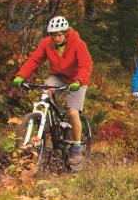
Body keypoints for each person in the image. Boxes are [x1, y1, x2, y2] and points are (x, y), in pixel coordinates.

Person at [13, 15, 93, 165]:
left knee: (72, 112)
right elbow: (34, 60)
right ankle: (44, 123)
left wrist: (79, 81)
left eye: (59, 35)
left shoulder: (78, 44)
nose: (56, 38)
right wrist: (20, 76)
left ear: (66, 33)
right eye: (53, 35)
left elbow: (85, 65)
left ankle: (76, 147)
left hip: (77, 80)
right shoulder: (47, 44)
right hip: (58, 77)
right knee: (45, 93)